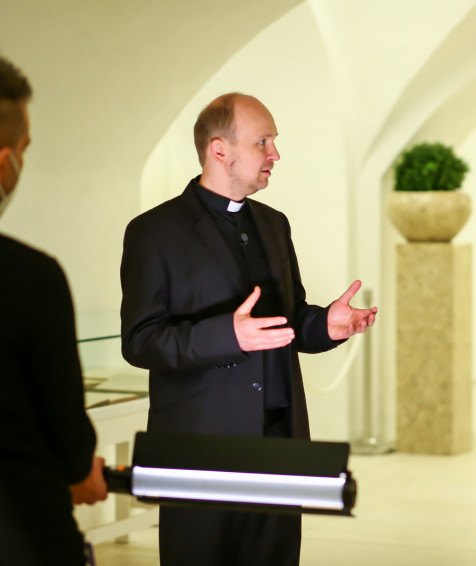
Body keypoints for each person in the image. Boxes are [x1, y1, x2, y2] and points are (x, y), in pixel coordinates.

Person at [120, 92, 377, 566]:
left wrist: (326, 325)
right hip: (201, 445)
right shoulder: (153, 231)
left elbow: (289, 319)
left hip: (278, 442)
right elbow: (140, 340)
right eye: (263, 142)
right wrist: (228, 336)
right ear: (220, 150)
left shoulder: (275, 224)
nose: (275, 154)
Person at [0, 52, 107, 565]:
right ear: (1, 162)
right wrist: (81, 471)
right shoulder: (32, 277)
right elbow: (69, 439)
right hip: (20, 538)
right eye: (23, 150)